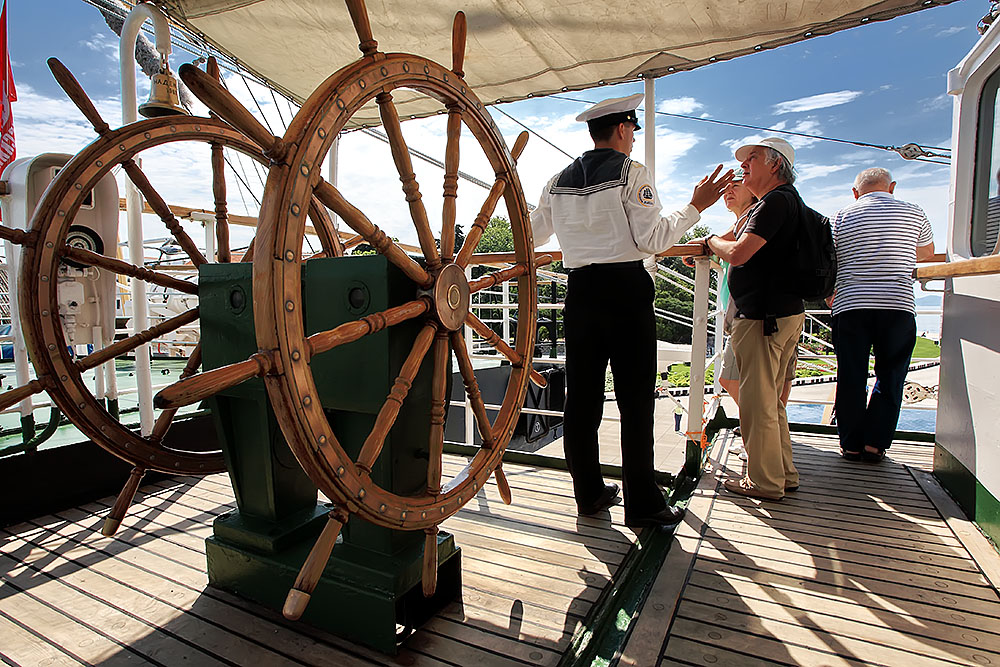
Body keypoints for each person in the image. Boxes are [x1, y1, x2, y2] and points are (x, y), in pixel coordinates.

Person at [531, 92, 733, 528]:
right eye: (633, 130)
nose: (633, 137)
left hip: (580, 291)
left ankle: (588, 494)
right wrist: (696, 205)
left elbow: (533, 233)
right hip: (624, 291)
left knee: (581, 399)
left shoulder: (558, 178)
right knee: (635, 400)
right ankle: (642, 503)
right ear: (623, 129)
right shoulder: (630, 172)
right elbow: (654, 239)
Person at [701, 137, 805, 501]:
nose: (744, 165)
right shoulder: (786, 202)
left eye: (752, 159)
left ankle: (764, 482)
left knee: (759, 404)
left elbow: (740, 253)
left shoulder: (774, 201)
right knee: (771, 403)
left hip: (762, 316)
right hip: (783, 313)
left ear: (775, 165)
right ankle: (784, 474)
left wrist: (710, 243)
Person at [829, 167, 934, 462]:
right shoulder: (914, 212)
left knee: (851, 374)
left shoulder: (841, 215)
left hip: (851, 305)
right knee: (891, 375)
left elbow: (831, 257)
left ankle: (850, 444)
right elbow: (926, 253)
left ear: (855, 192)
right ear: (892, 187)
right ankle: (876, 444)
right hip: (897, 305)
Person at [714, 177, 797, 461]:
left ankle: (763, 448)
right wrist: (707, 243)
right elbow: (727, 240)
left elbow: (736, 253)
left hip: (755, 313)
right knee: (770, 387)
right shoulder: (743, 222)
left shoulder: (756, 217)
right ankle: (769, 445)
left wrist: (709, 242)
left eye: (735, 185)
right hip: (770, 311)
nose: (728, 190)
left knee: (740, 381)